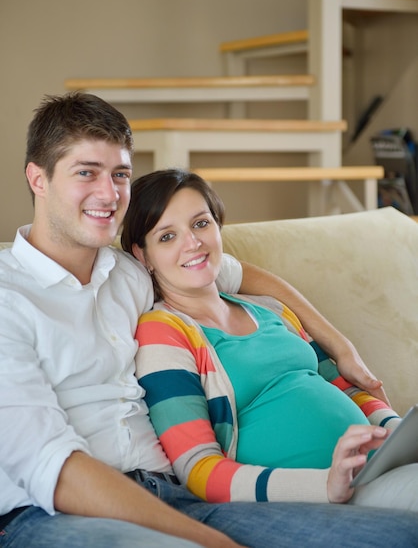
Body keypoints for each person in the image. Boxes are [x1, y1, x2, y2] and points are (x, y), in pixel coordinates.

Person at [1, 93, 417, 548]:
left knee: (398, 536)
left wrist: (338, 344)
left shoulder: (130, 271)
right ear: (37, 179)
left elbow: (236, 273)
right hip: (53, 512)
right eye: (86, 173)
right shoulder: (9, 298)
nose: (109, 193)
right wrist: (212, 541)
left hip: (174, 493)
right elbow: (52, 469)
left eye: (120, 174)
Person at [121, 168, 418, 512]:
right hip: (311, 497)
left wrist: (397, 431)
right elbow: (198, 470)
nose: (193, 243)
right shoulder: (162, 332)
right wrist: (325, 485)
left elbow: (346, 387)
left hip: (375, 470)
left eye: (201, 224)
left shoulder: (270, 308)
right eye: (167, 237)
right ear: (143, 256)